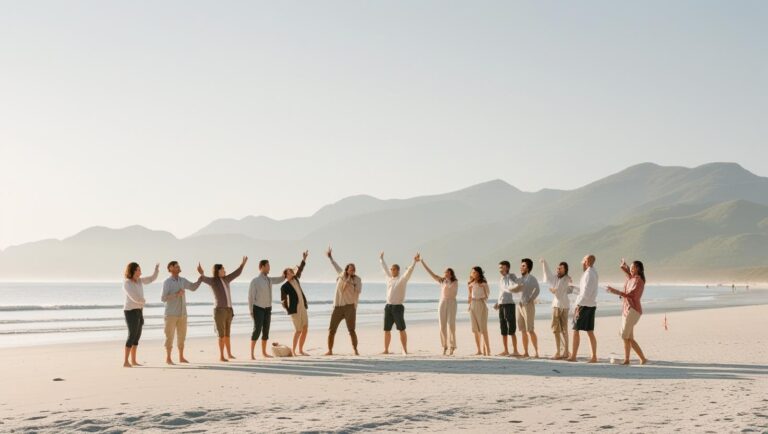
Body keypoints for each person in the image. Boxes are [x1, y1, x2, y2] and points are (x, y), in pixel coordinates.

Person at [249, 253, 306, 359]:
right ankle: (252, 354)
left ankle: (264, 353)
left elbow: (282, 278)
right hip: (258, 308)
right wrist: (251, 311)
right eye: (268, 266)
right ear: (262, 267)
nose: (269, 267)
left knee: (266, 331)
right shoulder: (255, 281)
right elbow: (250, 298)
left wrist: (293, 269)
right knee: (257, 331)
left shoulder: (270, 280)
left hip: (268, 309)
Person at [198, 256, 248, 362]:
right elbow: (203, 279)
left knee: (227, 334)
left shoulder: (226, 279)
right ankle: (221, 356)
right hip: (219, 311)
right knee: (221, 335)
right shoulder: (213, 281)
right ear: (218, 271)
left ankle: (229, 354)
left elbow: (237, 273)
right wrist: (201, 273)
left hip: (229, 310)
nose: (225, 270)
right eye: (223, 269)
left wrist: (242, 265)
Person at [606, 259, 648, 365]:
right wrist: (623, 266)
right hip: (627, 310)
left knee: (625, 336)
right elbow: (628, 273)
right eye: (631, 267)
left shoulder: (638, 281)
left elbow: (631, 295)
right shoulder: (632, 278)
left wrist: (615, 291)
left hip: (633, 310)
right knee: (628, 337)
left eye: (633, 267)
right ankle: (629, 359)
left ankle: (641, 358)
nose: (631, 269)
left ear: (638, 269)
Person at [161, 261, 203, 365]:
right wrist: (176, 294)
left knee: (182, 336)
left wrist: (201, 276)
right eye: (176, 266)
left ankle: (181, 357)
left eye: (179, 266)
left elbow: (193, 287)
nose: (179, 267)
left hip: (183, 314)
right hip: (170, 314)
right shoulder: (167, 282)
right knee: (169, 336)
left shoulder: (182, 280)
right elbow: (163, 298)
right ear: (170, 268)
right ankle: (168, 358)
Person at [325, 247, 362, 356]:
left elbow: (358, 291)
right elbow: (335, 265)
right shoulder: (341, 275)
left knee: (351, 330)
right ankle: (330, 350)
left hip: (350, 307)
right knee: (332, 330)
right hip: (338, 306)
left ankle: (355, 350)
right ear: (346, 269)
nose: (352, 271)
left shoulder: (357, 280)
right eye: (350, 269)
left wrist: (351, 283)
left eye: (353, 269)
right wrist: (330, 257)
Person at [380, 251, 419, 355]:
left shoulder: (402, 279)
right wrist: (381, 259)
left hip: (398, 307)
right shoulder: (388, 279)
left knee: (401, 329)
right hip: (388, 307)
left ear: (398, 270)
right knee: (386, 330)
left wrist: (414, 262)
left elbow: (409, 271)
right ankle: (386, 350)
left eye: (393, 269)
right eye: (391, 269)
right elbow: (384, 268)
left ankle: (404, 350)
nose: (392, 270)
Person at [122, 262, 159, 367]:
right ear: (132, 270)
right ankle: (125, 361)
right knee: (132, 334)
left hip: (139, 310)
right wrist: (143, 301)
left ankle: (133, 361)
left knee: (137, 335)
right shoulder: (127, 283)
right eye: (138, 270)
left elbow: (151, 278)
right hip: (130, 311)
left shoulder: (139, 281)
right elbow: (133, 297)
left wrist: (156, 270)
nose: (140, 272)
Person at [421, 258, 459, 355]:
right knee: (442, 325)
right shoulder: (442, 281)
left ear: (450, 273)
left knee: (451, 325)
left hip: (452, 303)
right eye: (444, 272)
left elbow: (451, 290)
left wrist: (446, 282)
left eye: (447, 272)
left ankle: (452, 346)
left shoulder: (455, 282)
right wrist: (422, 261)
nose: (445, 273)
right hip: (442, 302)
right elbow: (431, 274)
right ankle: (445, 346)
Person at [567, 254, 599, 363]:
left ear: (587, 262)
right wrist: (574, 288)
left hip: (584, 305)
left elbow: (585, 292)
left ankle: (574, 356)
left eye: (583, 261)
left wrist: (577, 305)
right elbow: (585, 290)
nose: (582, 263)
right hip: (591, 304)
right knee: (590, 331)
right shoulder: (593, 272)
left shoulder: (589, 274)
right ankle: (593, 356)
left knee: (576, 330)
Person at [541, 258, 573, 360]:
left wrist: (553, 290)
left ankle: (565, 352)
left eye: (560, 268)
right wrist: (544, 263)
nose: (558, 270)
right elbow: (548, 274)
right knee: (555, 330)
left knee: (564, 330)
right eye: (557, 268)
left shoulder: (567, 279)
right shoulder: (556, 278)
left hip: (563, 306)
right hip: (555, 306)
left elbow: (559, 292)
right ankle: (560, 351)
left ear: (565, 269)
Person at [280, 251, 310, 356]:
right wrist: (288, 309)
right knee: (298, 330)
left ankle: (301, 350)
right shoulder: (284, 286)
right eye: (290, 271)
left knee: (305, 328)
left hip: (303, 307)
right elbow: (283, 300)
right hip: (295, 310)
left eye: (292, 271)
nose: (292, 272)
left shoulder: (296, 279)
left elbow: (300, 269)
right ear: (286, 275)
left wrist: (304, 259)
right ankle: (294, 350)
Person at [509, 258, 540, 358]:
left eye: (523, 266)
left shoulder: (531, 278)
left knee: (530, 330)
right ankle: (526, 352)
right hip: (519, 305)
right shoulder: (520, 279)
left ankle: (536, 352)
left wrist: (531, 298)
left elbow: (537, 290)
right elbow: (514, 288)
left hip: (528, 305)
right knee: (522, 330)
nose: (521, 268)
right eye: (521, 266)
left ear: (528, 268)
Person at [494, 260, 520, 357]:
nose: (500, 269)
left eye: (502, 267)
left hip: (510, 304)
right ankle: (505, 350)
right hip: (502, 304)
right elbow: (502, 292)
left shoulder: (512, 276)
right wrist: (498, 302)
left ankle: (516, 351)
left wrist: (507, 275)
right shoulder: (501, 279)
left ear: (507, 268)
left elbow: (515, 285)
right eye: (499, 267)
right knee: (503, 328)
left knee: (511, 328)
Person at [468, 266, 491, 356]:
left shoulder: (484, 283)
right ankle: (479, 350)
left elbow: (487, 296)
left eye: (475, 272)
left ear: (479, 273)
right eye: (472, 272)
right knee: (475, 330)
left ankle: (488, 350)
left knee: (483, 329)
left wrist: (483, 288)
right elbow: (469, 296)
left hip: (481, 304)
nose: (473, 273)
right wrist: (469, 305)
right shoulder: (470, 283)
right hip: (472, 305)